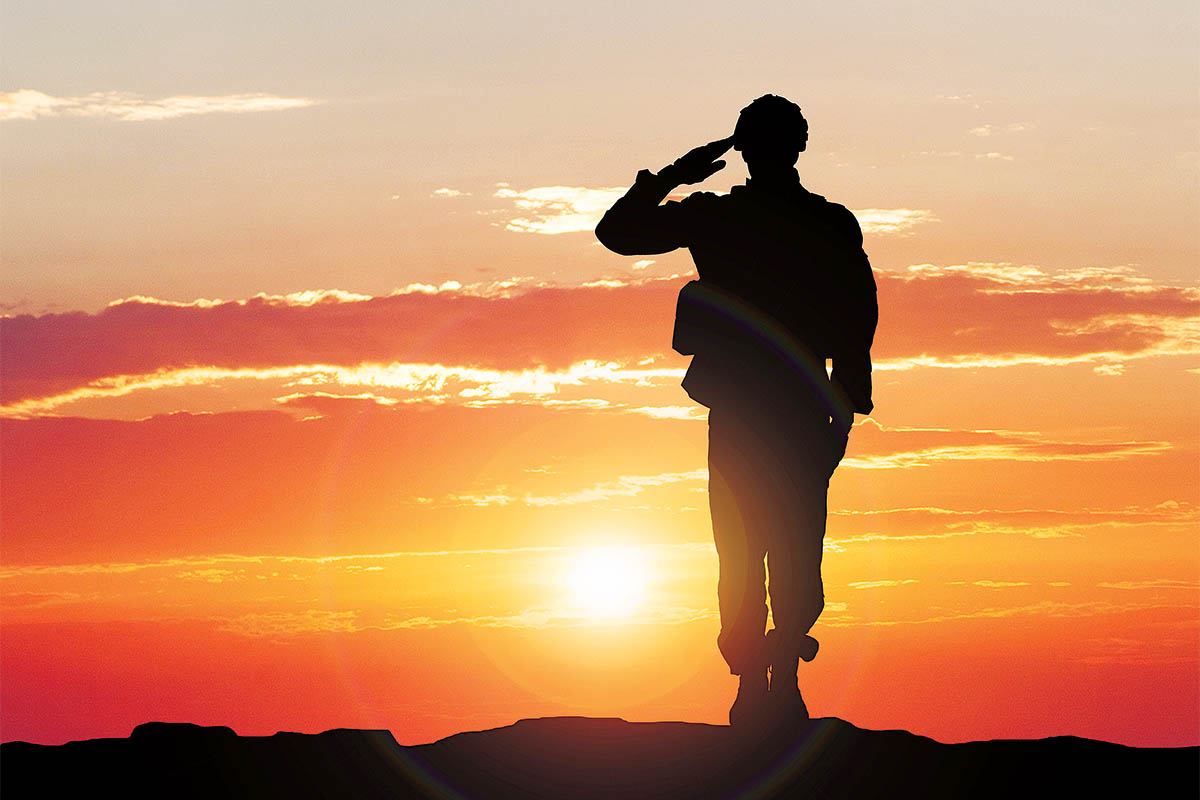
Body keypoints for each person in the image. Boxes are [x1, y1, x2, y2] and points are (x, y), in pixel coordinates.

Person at [595, 95, 877, 728]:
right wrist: (845, 401)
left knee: (758, 542)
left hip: (765, 405)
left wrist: (674, 175)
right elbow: (858, 314)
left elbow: (619, 230)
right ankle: (766, 677)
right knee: (780, 540)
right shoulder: (812, 221)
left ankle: (767, 676)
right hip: (781, 405)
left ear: (745, 150)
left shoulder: (730, 217)